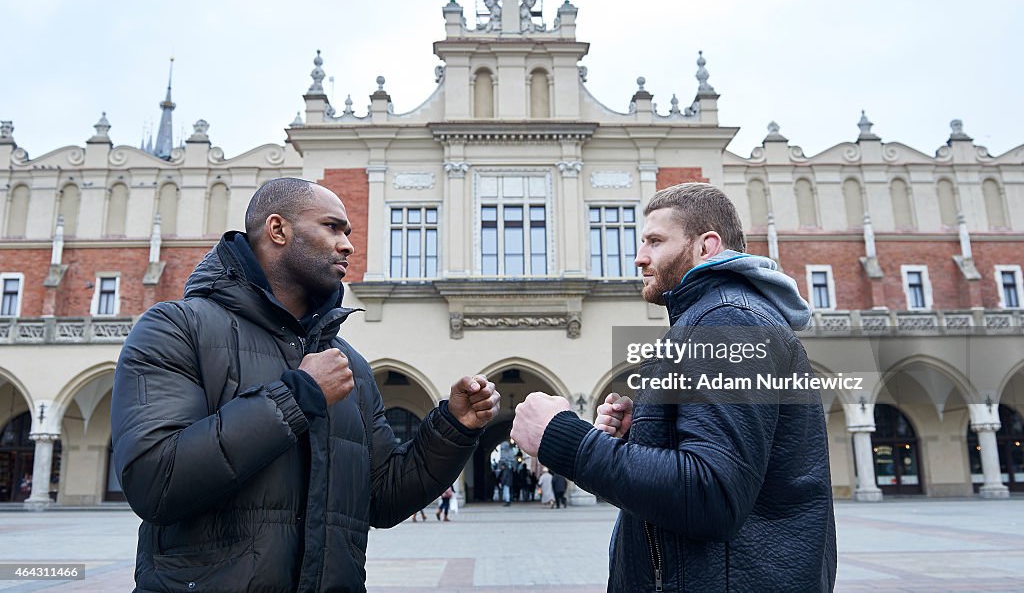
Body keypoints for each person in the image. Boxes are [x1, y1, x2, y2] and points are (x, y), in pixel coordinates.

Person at [111, 178, 500, 592]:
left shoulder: (348, 363)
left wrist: (454, 429)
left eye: (347, 233)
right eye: (333, 227)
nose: (348, 245)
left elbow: (383, 499)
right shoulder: (176, 328)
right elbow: (156, 482)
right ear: (278, 230)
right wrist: (300, 396)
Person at [512, 183, 837, 591]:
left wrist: (563, 437)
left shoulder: (726, 322)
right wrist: (650, 433)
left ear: (707, 246)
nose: (638, 257)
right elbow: (722, 469)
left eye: (654, 241)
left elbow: (713, 493)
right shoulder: (718, 318)